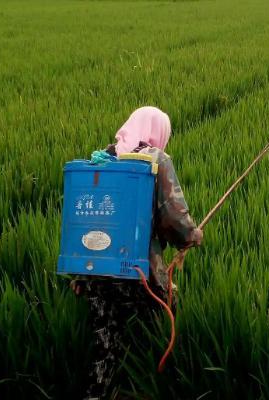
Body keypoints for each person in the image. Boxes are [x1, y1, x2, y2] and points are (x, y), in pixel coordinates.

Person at [69, 106, 203, 400]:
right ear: (159, 132)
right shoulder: (156, 159)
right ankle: (156, 382)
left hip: (96, 270)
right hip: (138, 272)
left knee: (105, 342)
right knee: (161, 318)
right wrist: (192, 236)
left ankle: (99, 392)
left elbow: (87, 221)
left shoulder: (102, 159)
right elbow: (173, 218)